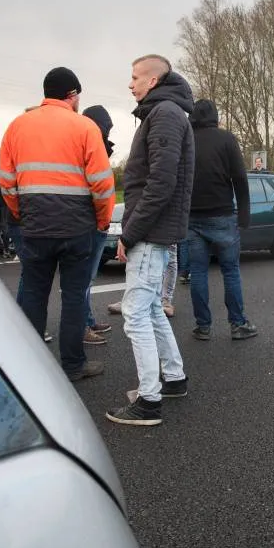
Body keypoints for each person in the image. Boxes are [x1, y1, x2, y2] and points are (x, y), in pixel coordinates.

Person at [0, 67, 115, 383]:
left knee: (34, 293)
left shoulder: (17, 127)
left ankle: (31, 365)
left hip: (34, 227)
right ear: (73, 95)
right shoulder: (85, 127)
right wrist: (102, 220)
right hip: (77, 228)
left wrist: (21, 214)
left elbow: (7, 182)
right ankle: (73, 365)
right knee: (74, 296)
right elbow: (103, 185)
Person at [106, 55, 194, 427]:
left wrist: (130, 232)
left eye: (135, 77)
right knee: (153, 308)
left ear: (154, 80)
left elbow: (160, 183)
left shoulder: (165, 115)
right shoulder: (166, 113)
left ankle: (148, 401)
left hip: (151, 230)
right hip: (157, 229)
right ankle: (173, 379)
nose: (130, 84)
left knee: (136, 313)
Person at [186, 98, 256, 341]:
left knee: (198, 272)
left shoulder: (186, 139)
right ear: (215, 116)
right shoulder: (226, 139)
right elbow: (239, 177)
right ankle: (238, 324)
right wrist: (244, 214)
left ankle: (202, 326)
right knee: (230, 271)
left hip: (192, 218)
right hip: (223, 215)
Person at [81, 105, 117, 345]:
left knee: (87, 279)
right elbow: (100, 185)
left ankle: (87, 319)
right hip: (91, 221)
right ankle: (82, 326)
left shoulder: (92, 142)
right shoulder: (90, 145)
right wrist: (104, 221)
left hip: (94, 220)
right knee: (82, 279)